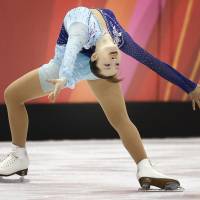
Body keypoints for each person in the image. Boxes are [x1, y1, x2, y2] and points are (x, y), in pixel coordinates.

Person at [0, 7, 199, 190]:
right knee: (13, 95)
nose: (114, 62)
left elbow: (150, 61)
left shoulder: (99, 36)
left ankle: (145, 167)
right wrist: (64, 76)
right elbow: (73, 50)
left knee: (120, 118)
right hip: (66, 67)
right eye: (113, 65)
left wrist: (190, 87)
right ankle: (18, 157)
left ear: (96, 58)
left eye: (112, 66)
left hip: (73, 70)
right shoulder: (102, 34)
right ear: (95, 58)